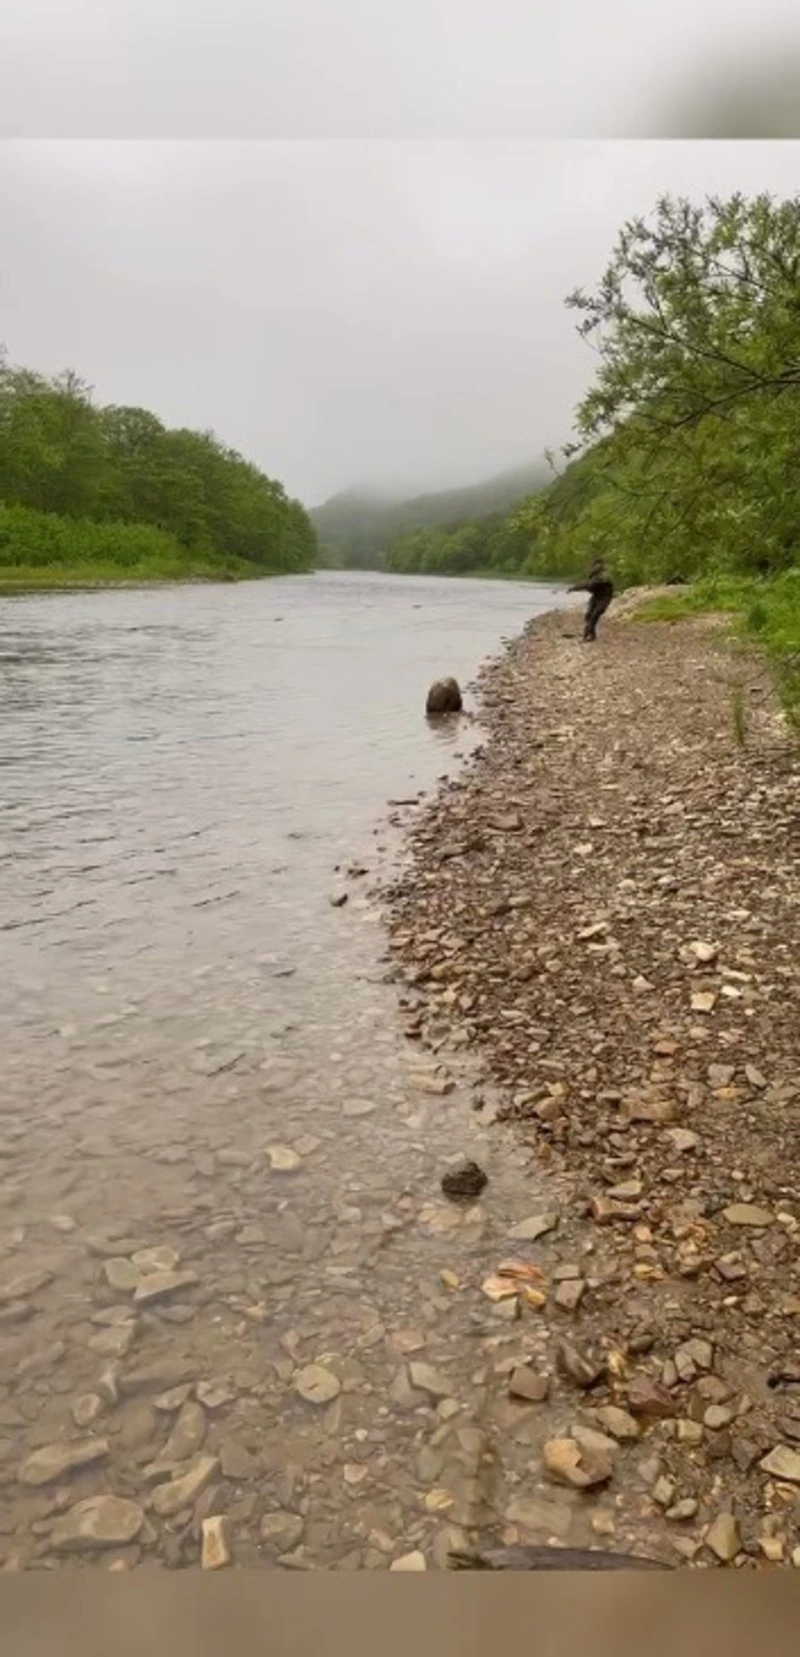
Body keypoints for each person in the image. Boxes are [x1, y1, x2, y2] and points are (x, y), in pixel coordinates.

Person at [568, 558, 614, 642]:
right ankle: (592, 634)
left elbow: (590, 585)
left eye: (599, 565)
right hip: (596, 597)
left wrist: (574, 588)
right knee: (588, 615)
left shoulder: (604, 576)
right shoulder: (593, 574)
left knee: (595, 615)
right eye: (596, 565)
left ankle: (587, 635)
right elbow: (589, 584)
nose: (597, 567)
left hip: (604, 598)